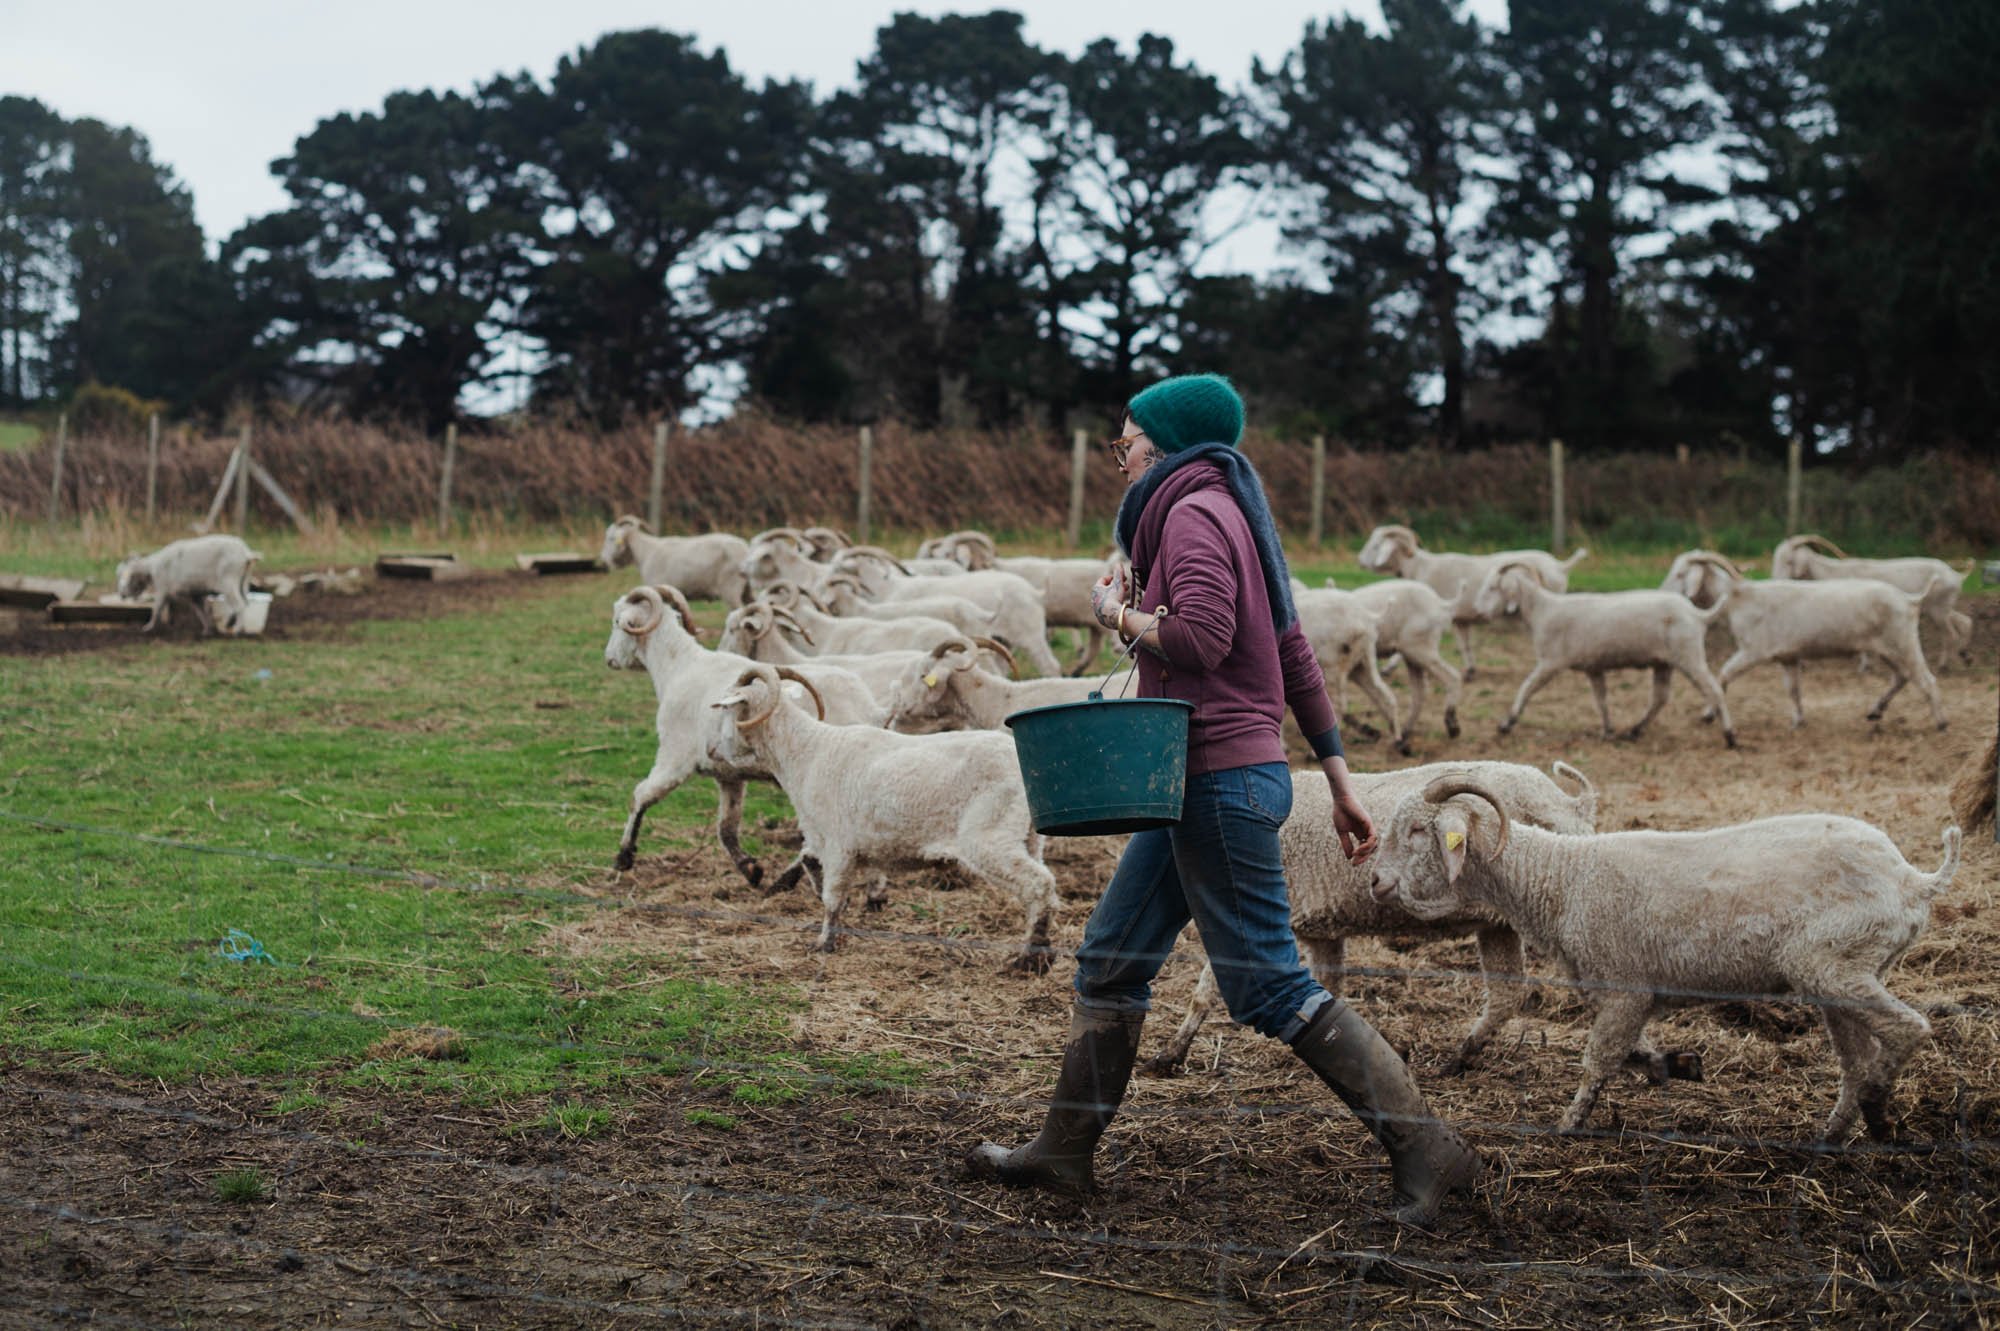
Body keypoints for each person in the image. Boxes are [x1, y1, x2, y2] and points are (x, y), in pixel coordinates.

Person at [967, 373, 1480, 1226]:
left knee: (1269, 984)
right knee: (1113, 957)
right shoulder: (1224, 509)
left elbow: (1201, 639)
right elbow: (1291, 653)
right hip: (1196, 778)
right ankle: (1062, 1154)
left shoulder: (1196, 513)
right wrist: (1342, 779)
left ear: (1164, 444)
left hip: (1214, 782)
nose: (1118, 455)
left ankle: (1431, 1150)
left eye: (1126, 440)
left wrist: (1114, 616)